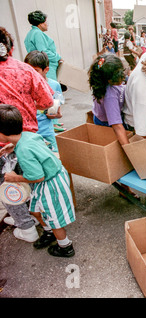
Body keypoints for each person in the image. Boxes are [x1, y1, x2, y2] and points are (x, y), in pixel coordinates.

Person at [0, 27, 55, 243]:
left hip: (3, 144)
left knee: (8, 184)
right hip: (28, 137)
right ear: (11, 48)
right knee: (31, 180)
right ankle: (39, 219)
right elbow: (47, 102)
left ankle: (25, 225)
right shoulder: (25, 70)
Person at [0, 105, 76, 257]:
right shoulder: (26, 136)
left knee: (53, 218)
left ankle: (65, 246)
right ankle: (48, 232)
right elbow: (34, 148)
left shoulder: (23, 151)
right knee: (34, 210)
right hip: (48, 180)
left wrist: (13, 177)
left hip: (49, 183)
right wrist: (13, 147)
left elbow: (37, 176)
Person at [24, 50, 64, 154]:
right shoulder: (23, 85)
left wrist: (56, 114)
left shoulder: (54, 85)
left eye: (35, 71)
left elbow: (57, 113)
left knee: (54, 159)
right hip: (29, 134)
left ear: (46, 69)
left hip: (47, 132)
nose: (31, 74)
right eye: (28, 70)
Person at [88, 54, 130, 145]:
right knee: (113, 143)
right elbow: (117, 126)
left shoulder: (105, 83)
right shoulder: (110, 96)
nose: (122, 78)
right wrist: (129, 149)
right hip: (106, 123)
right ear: (110, 80)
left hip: (105, 116)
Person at [24, 10, 62, 82]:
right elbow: (44, 52)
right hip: (47, 67)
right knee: (51, 88)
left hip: (38, 66)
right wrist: (58, 57)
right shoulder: (38, 34)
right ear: (40, 24)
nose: (47, 24)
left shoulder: (30, 34)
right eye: (45, 22)